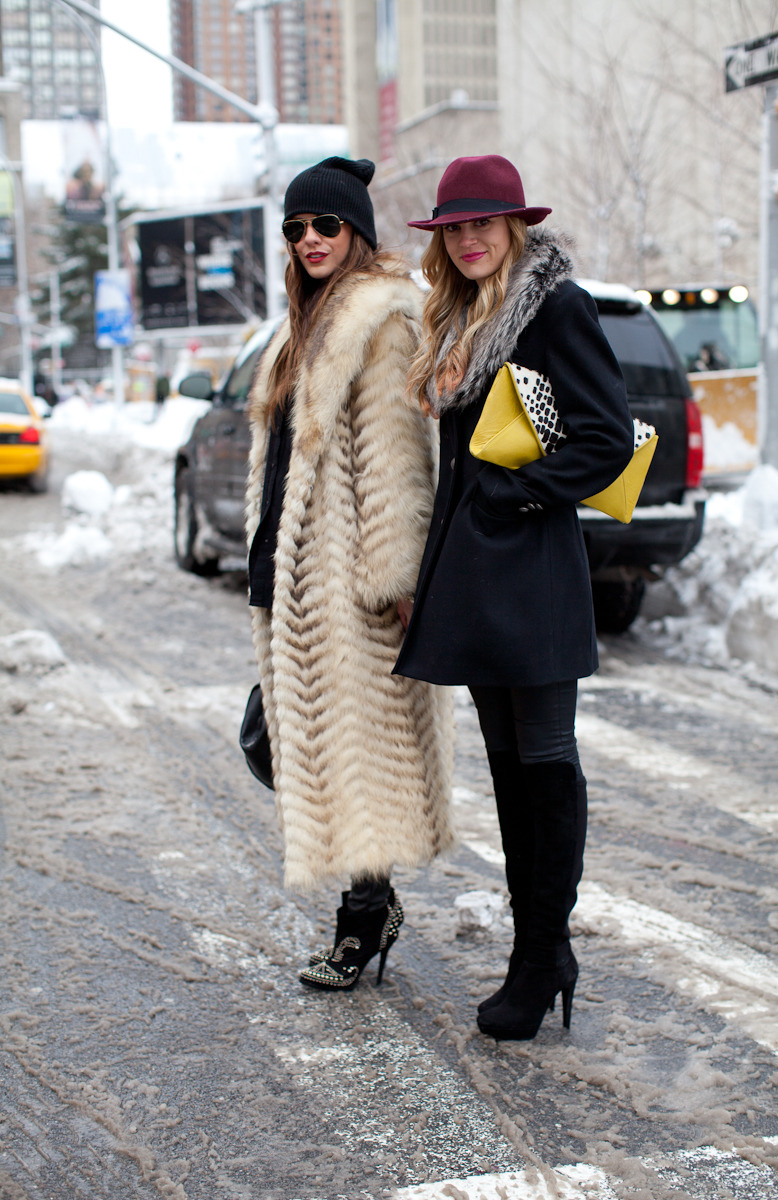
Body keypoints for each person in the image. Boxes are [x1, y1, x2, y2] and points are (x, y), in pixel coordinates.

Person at [395, 155, 633, 1040]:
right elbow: (456, 465)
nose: (468, 239)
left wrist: (517, 492)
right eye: (454, 228)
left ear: (515, 227)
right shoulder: (456, 319)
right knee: (507, 774)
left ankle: (543, 954)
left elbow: (606, 437)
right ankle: (535, 950)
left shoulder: (554, 307)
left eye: (482, 224)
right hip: (473, 577)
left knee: (545, 759)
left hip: (532, 573)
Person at [245, 157, 453, 992]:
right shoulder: (303, 323)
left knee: (352, 756)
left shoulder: (382, 319)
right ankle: (375, 904)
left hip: (348, 587)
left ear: (356, 232)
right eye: (295, 229)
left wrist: (395, 581)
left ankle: (364, 921)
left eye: (324, 226)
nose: (308, 241)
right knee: (278, 744)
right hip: (292, 578)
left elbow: (399, 467)